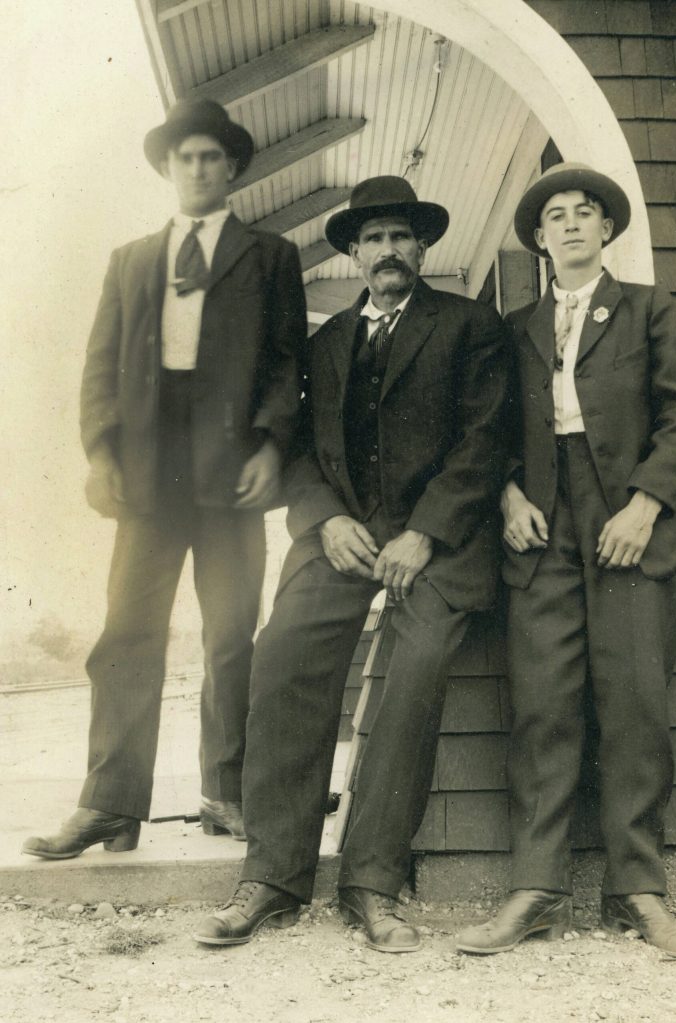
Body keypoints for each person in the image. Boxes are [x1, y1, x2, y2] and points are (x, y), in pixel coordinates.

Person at [193, 175, 510, 952]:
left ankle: (371, 880)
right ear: (355, 254)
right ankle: (272, 873)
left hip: (434, 544)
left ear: (422, 246)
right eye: (372, 239)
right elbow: (295, 451)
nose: (388, 250)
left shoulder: (470, 326)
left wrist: (425, 532)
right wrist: (326, 518)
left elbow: (485, 439)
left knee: (415, 667)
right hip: (341, 536)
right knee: (282, 654)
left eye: (400, 235)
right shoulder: (326, 341)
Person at [22, 99, 306, 859]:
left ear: (233, 167)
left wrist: (272, 445)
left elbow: (287, 365)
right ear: (166, 168)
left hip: (230, 472)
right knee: (126, 634)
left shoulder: (270, 256)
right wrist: (100, 451)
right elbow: (99, 366)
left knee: (229, 635)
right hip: (150, 471)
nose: (197, 169)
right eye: (184, 158)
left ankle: (227, 791)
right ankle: (111, 802)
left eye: (211, 157)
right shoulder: (132, 260)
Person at [456, 163, 676, 958]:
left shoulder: (645, 310)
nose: (568, 224)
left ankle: (637, 890)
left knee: (632, 702)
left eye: (583, 213)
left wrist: (643, 504)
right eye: (554, 216)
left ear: (605, 231)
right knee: (543, 705)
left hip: (624, 518)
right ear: (536, 238)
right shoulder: (513, 326)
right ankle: (534, 888)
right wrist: (504, 496)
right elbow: (486, 430)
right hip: (541, 525)